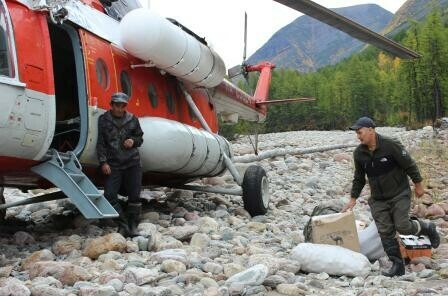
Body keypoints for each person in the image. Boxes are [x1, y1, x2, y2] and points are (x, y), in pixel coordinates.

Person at [342, 116, 440, 277]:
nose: (358, 136)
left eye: (360, 132)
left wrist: (418, 185)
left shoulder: (390, 145)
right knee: (385, 232)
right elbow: (359, 178)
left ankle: (426, 227)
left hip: (399, 194)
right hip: (378, 200)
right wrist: (353, 199)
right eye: (357, 133)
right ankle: (397, 265)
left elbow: (409, 164)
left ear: (371, 130)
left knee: (402, 226)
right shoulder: (359, 154)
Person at [97, 92, 144, 237]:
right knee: (110, 196)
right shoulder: (103, 120)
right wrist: (103, 162)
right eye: (117, 105)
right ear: (111, 105)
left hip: (132, 163)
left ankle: (133, 226)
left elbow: (140, 138)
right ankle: (122, 225)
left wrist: (133, 141)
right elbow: (101, 143)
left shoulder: (132, 119)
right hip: (113, 164)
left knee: (134, 196)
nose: (120, 108)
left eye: (123, 105)